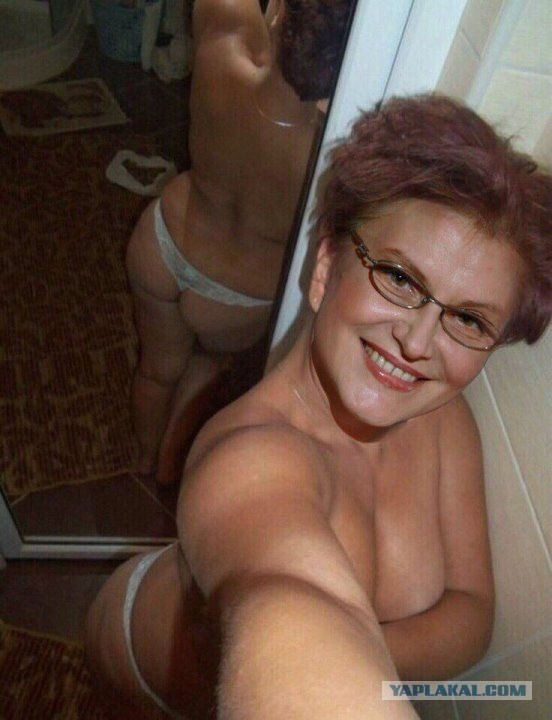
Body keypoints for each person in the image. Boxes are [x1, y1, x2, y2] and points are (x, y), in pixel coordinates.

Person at [86, 94, 552, 719]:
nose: (418, 343)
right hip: (142, 665)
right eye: (399, 278)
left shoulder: (444, 421)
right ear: (327, 267)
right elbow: (289, 603)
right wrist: (341, 659)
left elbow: (472, 610)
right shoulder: (251, 460)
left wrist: (359, 655)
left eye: (468, 319)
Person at [127, 0, 353, 485]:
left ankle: (144, 459)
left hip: (162, 241)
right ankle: (167, 471)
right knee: (203, 364)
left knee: (156, 369)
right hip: (234, 297)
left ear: (280, 15)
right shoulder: (329, 156)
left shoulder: (222, 41)